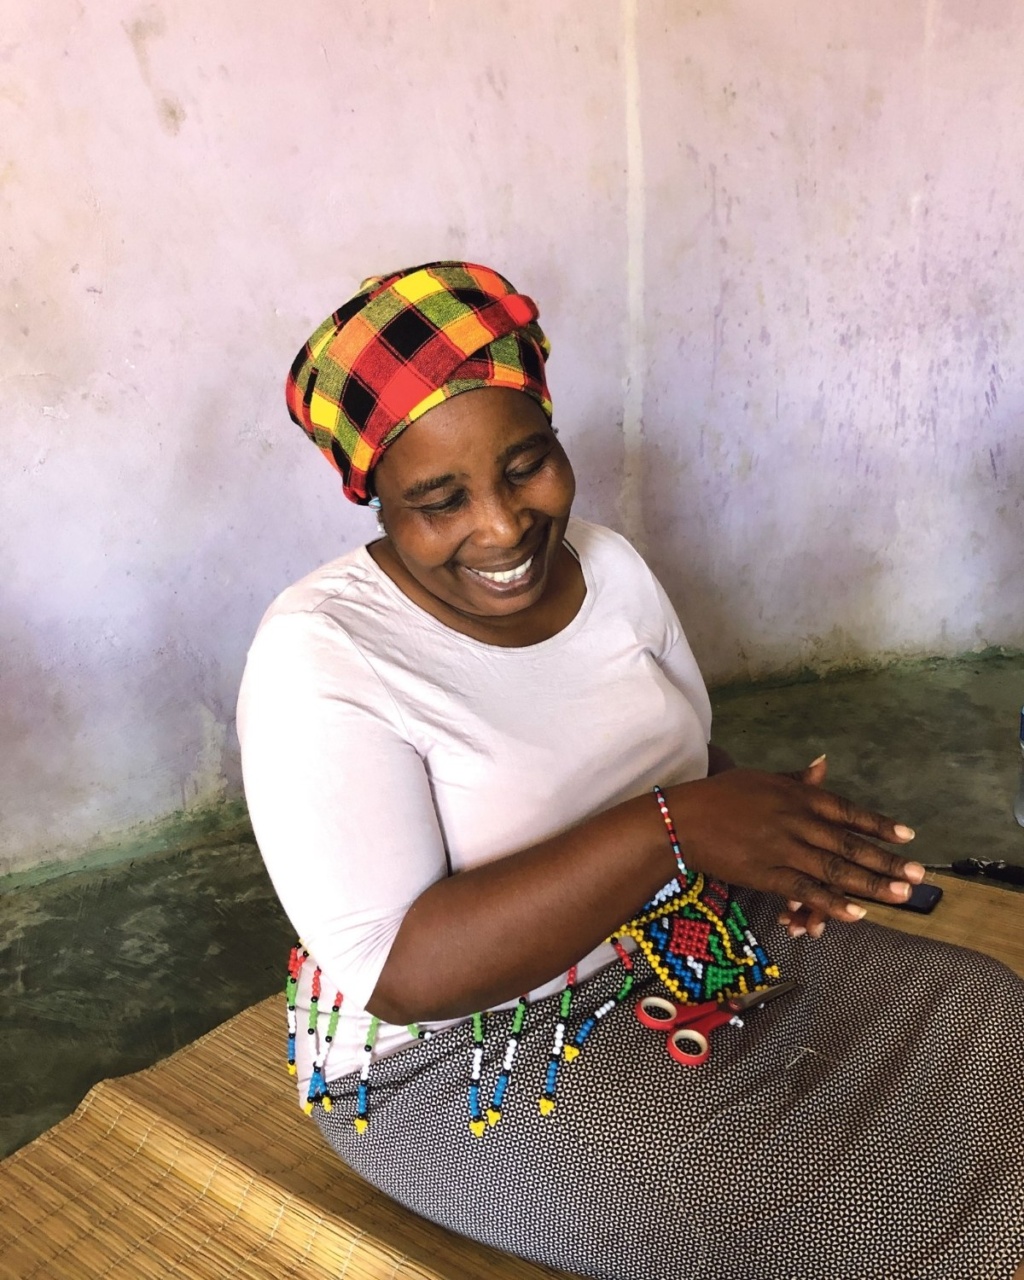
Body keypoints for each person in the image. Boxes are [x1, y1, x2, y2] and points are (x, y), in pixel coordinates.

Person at [237, 261, 1024, 1280]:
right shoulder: (322, 653)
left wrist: (777, 830)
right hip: (459, 1052)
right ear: (374, 496)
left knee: (983, 1013)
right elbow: (404, 971)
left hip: (689, 931)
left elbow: (683, 761)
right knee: (778, 1194)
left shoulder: (609, 568)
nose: (502, 524)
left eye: (525, 465)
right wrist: (678, 825)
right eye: (439, 498)